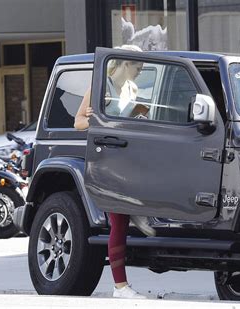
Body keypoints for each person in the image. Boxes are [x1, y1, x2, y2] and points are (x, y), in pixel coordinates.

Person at [74, 44, 155, 299]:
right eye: (138, 67)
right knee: (118, 221)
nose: (140, 72)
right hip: (108, 159)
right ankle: (120, 287)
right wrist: (94, 118)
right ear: (123, 64)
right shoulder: (98, 85)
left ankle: (139, 213)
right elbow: (78, 123)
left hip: (128, 160)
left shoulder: (133, 89)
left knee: (121, 220)